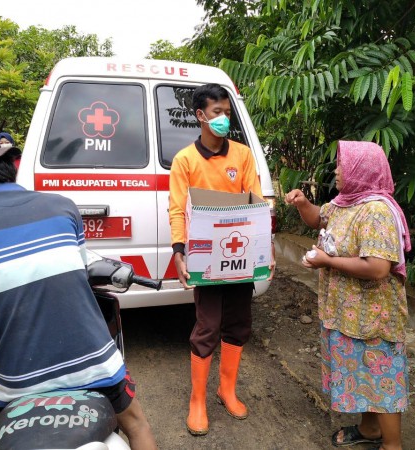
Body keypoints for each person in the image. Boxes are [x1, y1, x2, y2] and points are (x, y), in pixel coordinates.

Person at [0, 122, 157, 450]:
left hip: (15, 379)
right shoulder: (62, 206)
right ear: (10, 167)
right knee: (137, 425)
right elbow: (80, 269)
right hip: (96, 365)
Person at [285, 141, 411, 450]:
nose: (337, 171)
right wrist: (303, 204)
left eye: (343, 165)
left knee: (382, 378)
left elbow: (379, 268)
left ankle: (392, 444)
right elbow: (320, 219)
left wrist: (326, 261)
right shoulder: (346, 201)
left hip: (373, 314)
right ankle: (369, 430)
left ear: (361, 170)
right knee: (363, 371)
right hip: (347, 311)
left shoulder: (376, 211)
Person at [168, 83, 275, 436]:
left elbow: (256, 202)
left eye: (227, 113)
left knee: (239, 324)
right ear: (200, 115)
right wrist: (179, 252)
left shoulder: (243, 156)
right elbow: (177, 210)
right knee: (207, 327)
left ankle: (226, 389)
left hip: (239, 254)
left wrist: (266, 247)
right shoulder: (185, 160)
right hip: (205, 259)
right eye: (217, 113)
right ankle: (197, 399)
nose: (224, 119)